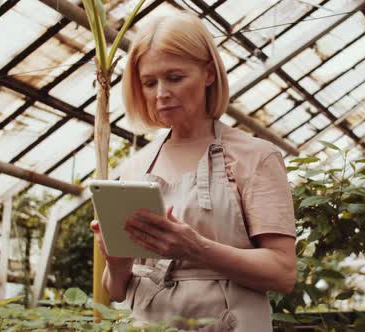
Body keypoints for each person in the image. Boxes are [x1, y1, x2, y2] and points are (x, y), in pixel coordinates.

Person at [90, 9, 296, 332]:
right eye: (149, 82)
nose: (161, 93)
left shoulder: (256, 158)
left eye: (175, 78)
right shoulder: (133, 169)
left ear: (209, 74)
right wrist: (117, 264)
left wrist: (197, 249)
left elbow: (283, 272)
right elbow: (117, 290)